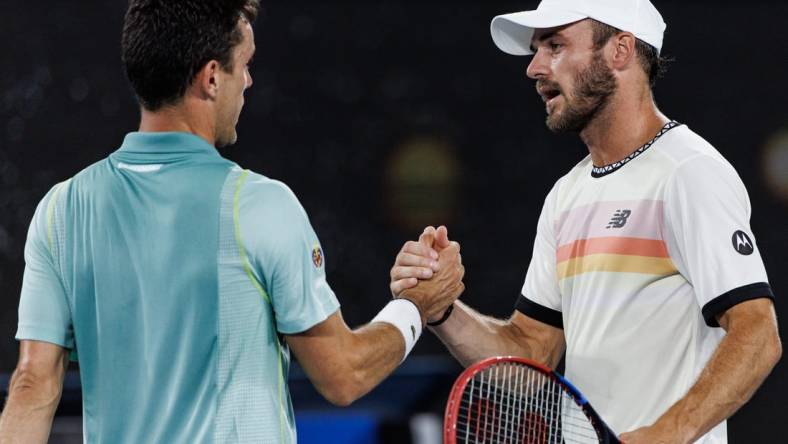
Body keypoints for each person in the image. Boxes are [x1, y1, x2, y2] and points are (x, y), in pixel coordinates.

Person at [0, 1, 464, 442]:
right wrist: (416, 308)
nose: (249, 79)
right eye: (244, 64)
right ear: (210, 78)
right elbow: (344, 374)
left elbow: (32, 385)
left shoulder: (60, 210)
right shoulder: (260, 206)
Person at [391, 0, 781, 442]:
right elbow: (532, 355)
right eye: (537, 49)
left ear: (620, 50)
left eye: (555, 45)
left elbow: (757, 333)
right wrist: (441, 309)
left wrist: (666, 433)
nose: (534, 68)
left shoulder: (688, 174)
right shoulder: (566, 196)